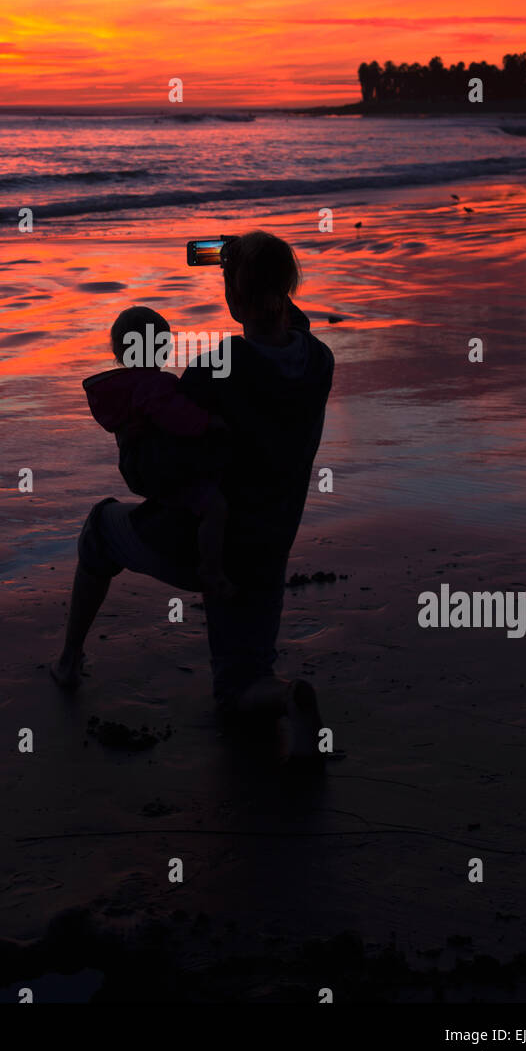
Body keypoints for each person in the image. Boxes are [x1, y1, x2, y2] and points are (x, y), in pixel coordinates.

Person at [52, 231, 335, 760]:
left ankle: (69, 661)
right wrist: (252, 266)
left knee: (100, 529)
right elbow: (294, 324)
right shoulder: (319, 364)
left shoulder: (215, 370)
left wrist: (129, 431)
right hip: (270, 546)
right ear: (287, 290)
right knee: (245, 679)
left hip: (207, 548)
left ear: (233, 298)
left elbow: (150, 476)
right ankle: (287, 698)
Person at [82, 306, 234, 598]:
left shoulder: (124, 388)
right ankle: (210, 569)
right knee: (213, 506)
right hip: (157, 465)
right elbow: (175, 415)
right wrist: (209, 422)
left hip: (136, 465)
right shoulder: (154, 385)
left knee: (183, 497)